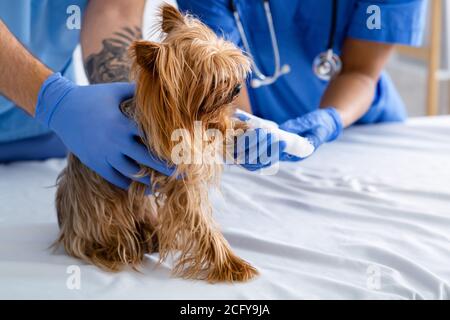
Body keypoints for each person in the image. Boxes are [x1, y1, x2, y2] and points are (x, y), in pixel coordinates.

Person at [0, 0, 282, 191]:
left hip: (48, 133)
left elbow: (115, 10)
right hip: (53, 109)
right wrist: (51, 99)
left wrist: (133, 109)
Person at [177, 0, 428, 159]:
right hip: (262, 132)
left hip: (362, 128)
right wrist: (243, 130)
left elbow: (360, 72)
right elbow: (222, 78)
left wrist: (331, 118)